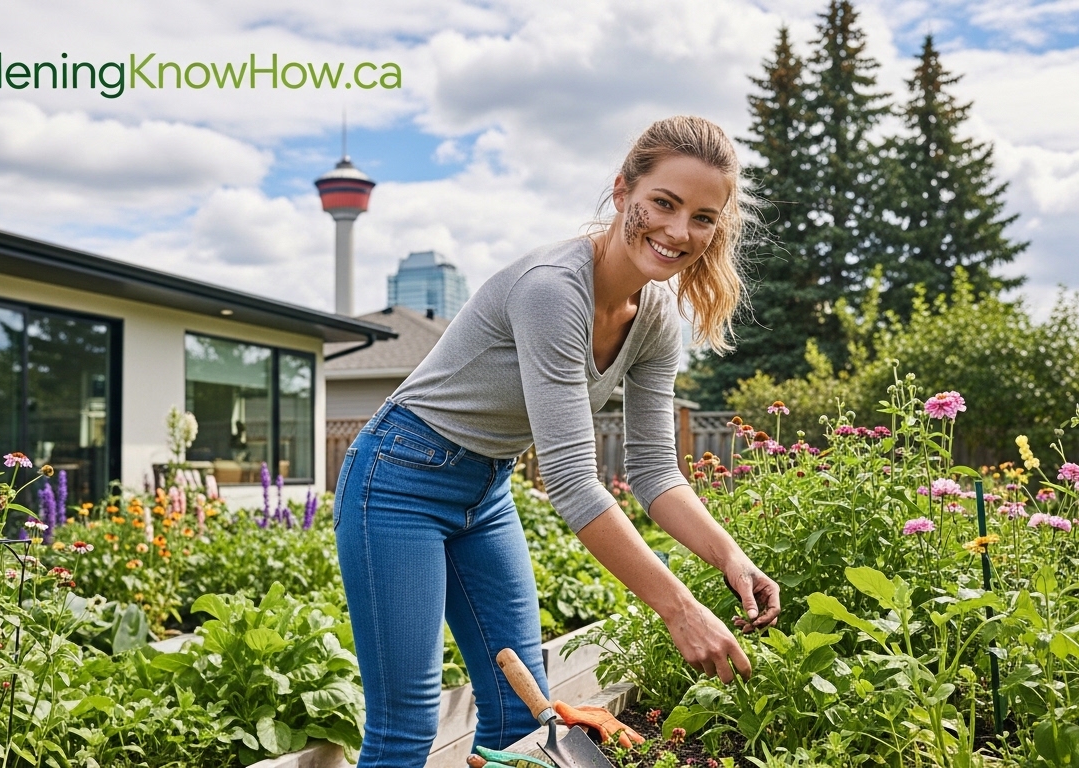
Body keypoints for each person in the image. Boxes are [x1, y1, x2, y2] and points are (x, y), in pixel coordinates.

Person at [333, 115, 781, 767]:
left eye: (703, 217)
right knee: (407, 726)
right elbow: (573, 483)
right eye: (664, 203)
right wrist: (679, 609)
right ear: (623, 191)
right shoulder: (552, 290)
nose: (679, 231)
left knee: (522, 714)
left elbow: (655, 472)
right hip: (398, 481)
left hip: (485, 491)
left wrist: (730, 558)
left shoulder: (657, 318)